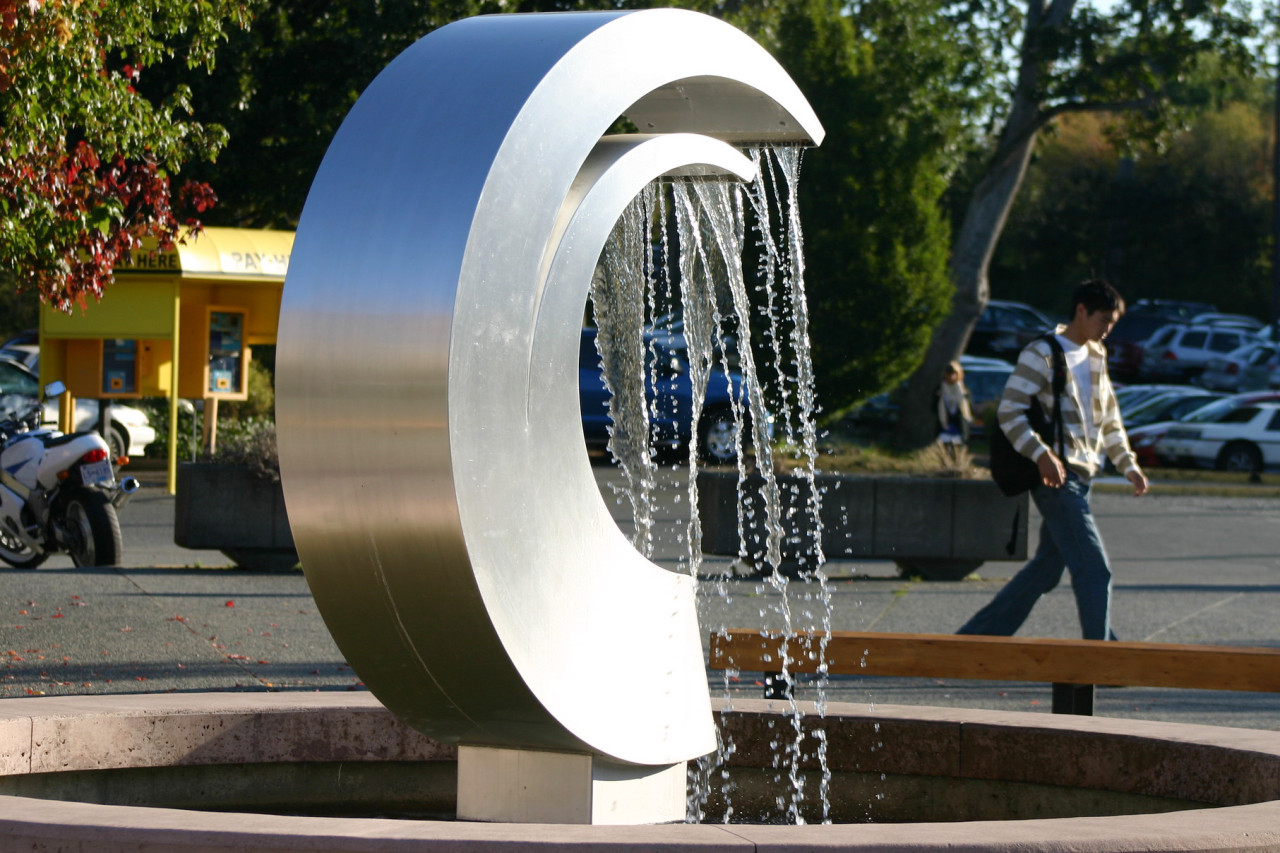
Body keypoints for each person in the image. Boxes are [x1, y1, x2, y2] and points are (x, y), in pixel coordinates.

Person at [958, 279, 1149, 641]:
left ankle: (974, 639)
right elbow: (1009, 413)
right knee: (1095, 568)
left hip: (1083, 478)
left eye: (1112, 322)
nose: (1108, 329)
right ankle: (1100, 658)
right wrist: (1041, 453)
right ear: (1081, 311)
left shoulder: (1096, 354)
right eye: (1103, 319)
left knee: (1046, 571)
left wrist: (1129, 465)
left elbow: (1109, 420)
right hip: (1058, 479)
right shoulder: (1042, 353)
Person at [936, 360, 972, 456]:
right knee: (945, 446)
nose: (951, 377)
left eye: (954, 374)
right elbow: (936, 406)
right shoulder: (941, 389)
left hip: (959, 423)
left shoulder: (962, 390)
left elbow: (966, 407)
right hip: (945, 422)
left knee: (959, 446)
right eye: (949, 374)